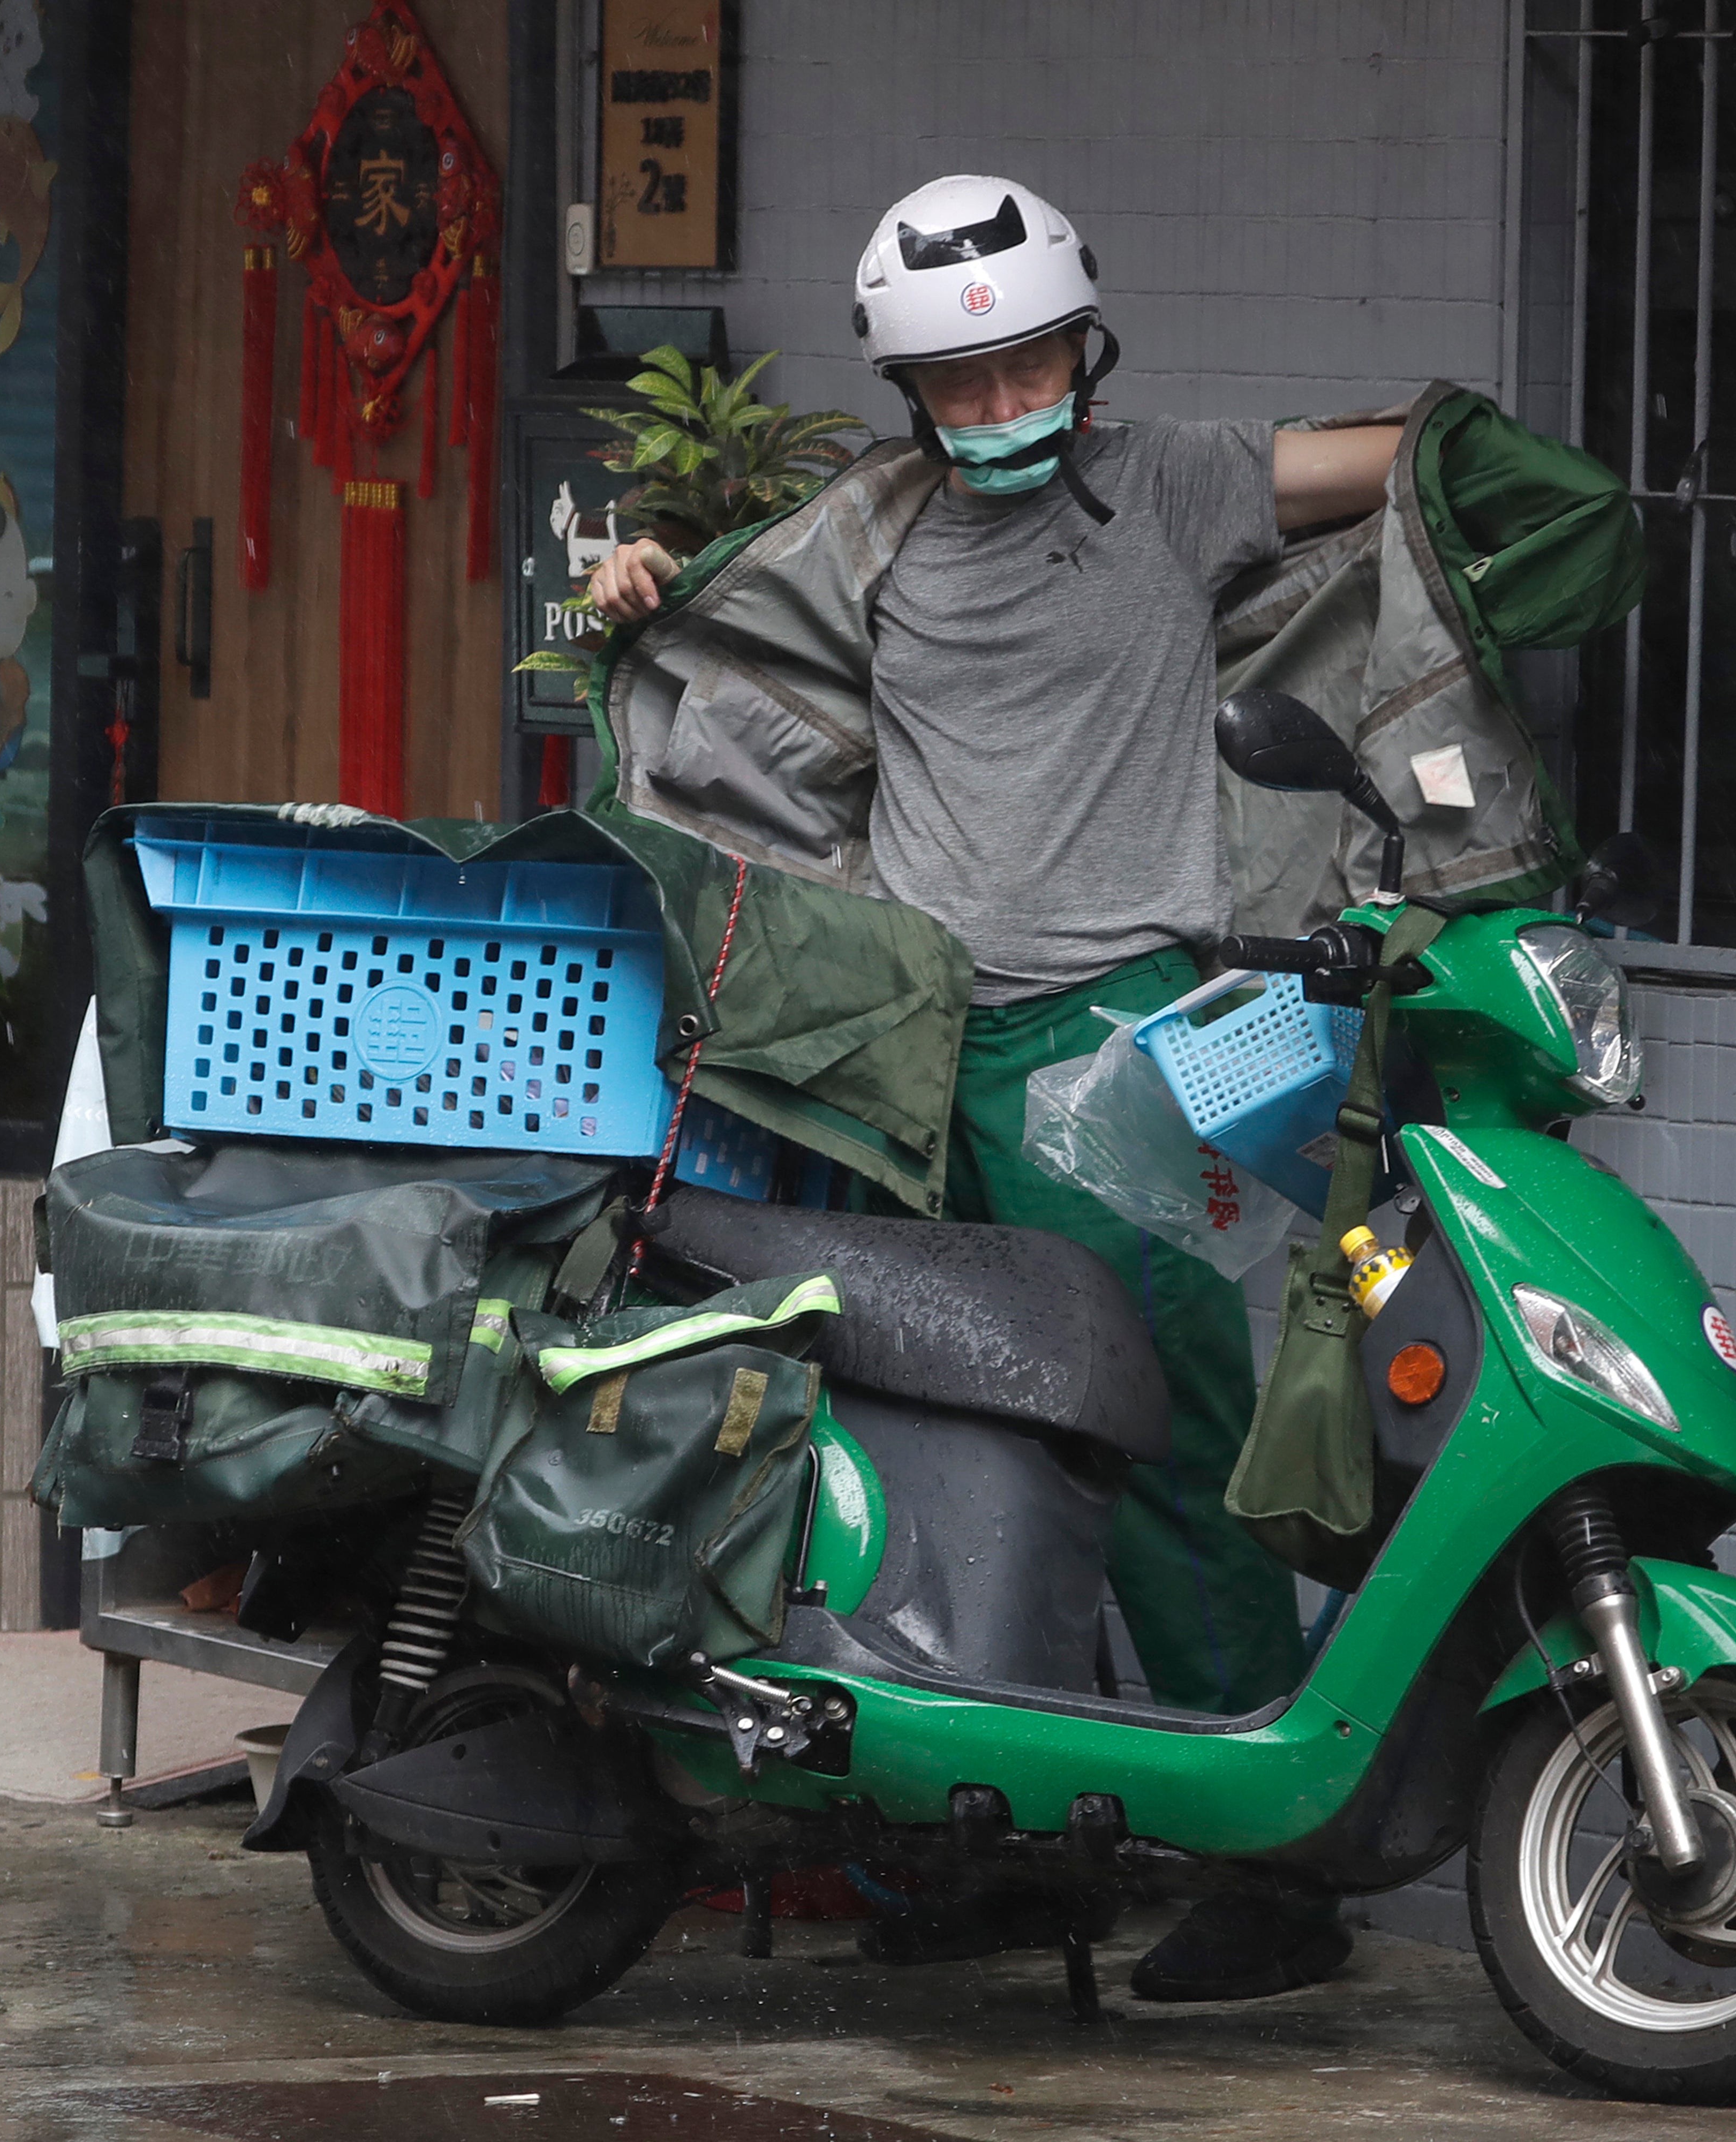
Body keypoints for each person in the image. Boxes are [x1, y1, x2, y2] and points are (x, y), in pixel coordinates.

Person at [585, 175, 1408, 2003]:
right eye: (955, 385)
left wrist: (1465, 443)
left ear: (1085, 352)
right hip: (913, 1045)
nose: (995, 405)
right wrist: (641, 583)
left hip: (1125, 1047)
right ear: (906, 397)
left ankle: (1272, 1875)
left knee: (1178, 1436)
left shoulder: (1186, 484)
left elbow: (1393, 470)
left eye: (1027, 362)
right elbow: (724, 633)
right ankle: (958, 1842)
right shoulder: (867, 535)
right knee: (930, 1444)